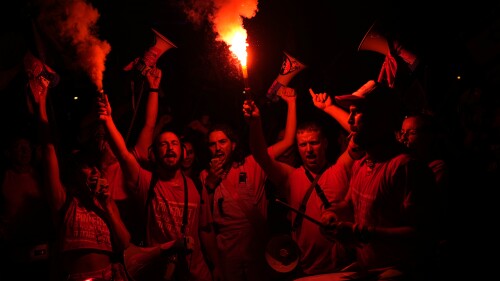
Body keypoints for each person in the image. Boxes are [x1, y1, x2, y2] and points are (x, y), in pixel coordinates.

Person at [320, 80, 440, 281]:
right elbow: (350, 204)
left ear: (381, 119)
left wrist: (364, 233)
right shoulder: (361, 164)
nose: (349, 120)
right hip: (369, 269)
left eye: (357, 112)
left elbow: (422, 234)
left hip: (399, 271)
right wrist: (332, 214)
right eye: (350, 112)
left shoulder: (406, 168)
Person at [98, 87, 220, 281]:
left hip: (195, 273)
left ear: (183, 152)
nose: (169, 148)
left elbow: (205, 230)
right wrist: (107, 120)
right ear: (154, 154)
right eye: (163, 144)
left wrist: (216, 266)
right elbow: (122, 153)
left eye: (173, 144)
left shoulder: (197, 186)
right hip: (157, 272)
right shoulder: (146, 182)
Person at [243, 92, 359, 279]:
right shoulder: (291, 177)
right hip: (306, 271)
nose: (309, 150)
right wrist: (255, 124)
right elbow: (261, 156)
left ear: (325, 143)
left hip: (346, 270)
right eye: (303, 145)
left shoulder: (341, 169)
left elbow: (360, 133)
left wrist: (329, 108)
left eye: (313, 143)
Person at [35, 75, 132, 281]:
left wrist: (107, 206)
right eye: (88, 169)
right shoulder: (64, 201)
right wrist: (41, 103)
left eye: (96, 169)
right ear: (77, 172)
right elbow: (49, 149)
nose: (94, 173)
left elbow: (125, 244)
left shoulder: (106, 203)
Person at [199, 87, 297, 281]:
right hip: (227, 254)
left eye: (222, 142)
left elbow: (287, 141)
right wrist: (210, 185)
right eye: (212, 144)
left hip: (258, 249)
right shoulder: (204, 176)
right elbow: (203, 224)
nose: (217, 148)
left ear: (233, 145)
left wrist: (292, 104)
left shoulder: (253, 163)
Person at [0, 134, 54, 281]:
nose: (25, 151)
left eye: (27, 146)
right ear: (9, 152)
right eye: (19, 147)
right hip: (16, 253)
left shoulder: (43, 177)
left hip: (43, 250)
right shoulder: (3, 178)